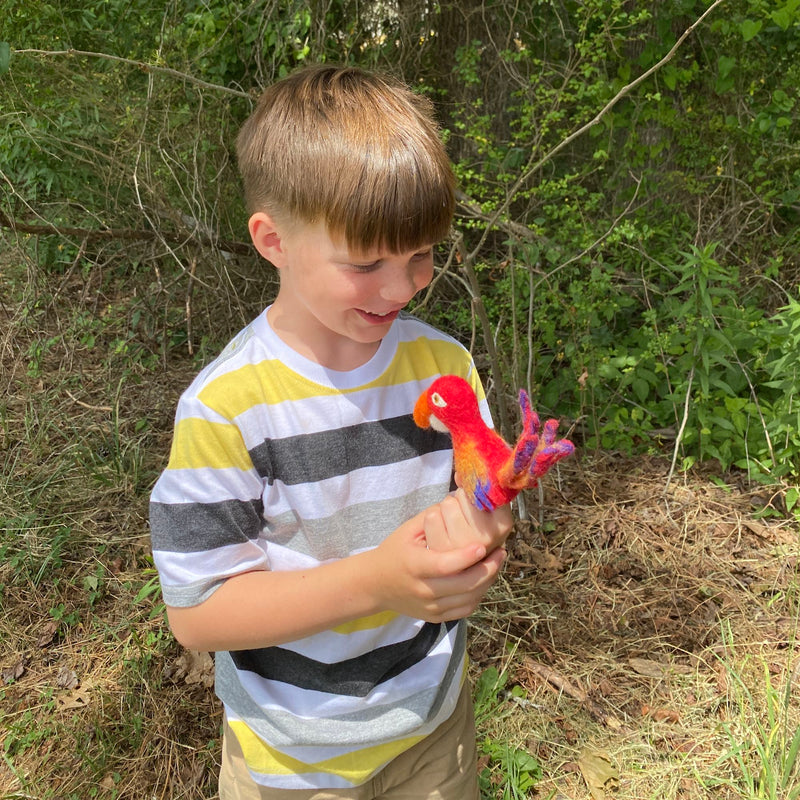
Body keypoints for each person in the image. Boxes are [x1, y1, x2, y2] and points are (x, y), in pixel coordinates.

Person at [149, 64, 513, 800]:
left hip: (431, 726)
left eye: (421, 255)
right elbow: (198, 614)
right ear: (273, 239)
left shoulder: (443, 367)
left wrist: (482, 528)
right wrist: (378, 581)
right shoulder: (229, 407)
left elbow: (488, 492)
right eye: (367, 261)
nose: (402, 287)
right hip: (292, 756)